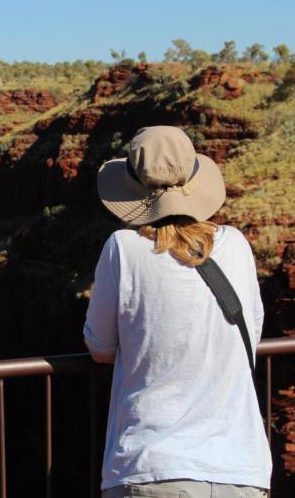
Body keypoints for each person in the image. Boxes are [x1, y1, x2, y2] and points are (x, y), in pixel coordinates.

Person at [83, 126, 272, 498]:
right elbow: (251, 330)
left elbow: (100, 348)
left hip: (153, 468)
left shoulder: (123, 248)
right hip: (241, 470)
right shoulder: (236, 245)